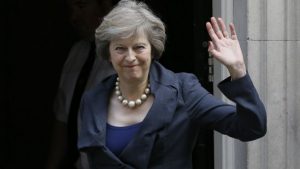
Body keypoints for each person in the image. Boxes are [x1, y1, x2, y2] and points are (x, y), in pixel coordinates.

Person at [77, 0, 267, 168]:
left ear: (153, 50)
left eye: (139, 47)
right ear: (108, 53)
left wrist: (238, 70)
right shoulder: (93, 99)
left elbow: (251, 127)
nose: (130, 57)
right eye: (120, 48)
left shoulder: (184, 90)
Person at [45, 0, 116, 169]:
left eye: (81, 6)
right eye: (71, 9)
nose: (74, 17)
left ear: (105, 6)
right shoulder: (77, 53)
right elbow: (62, 121)